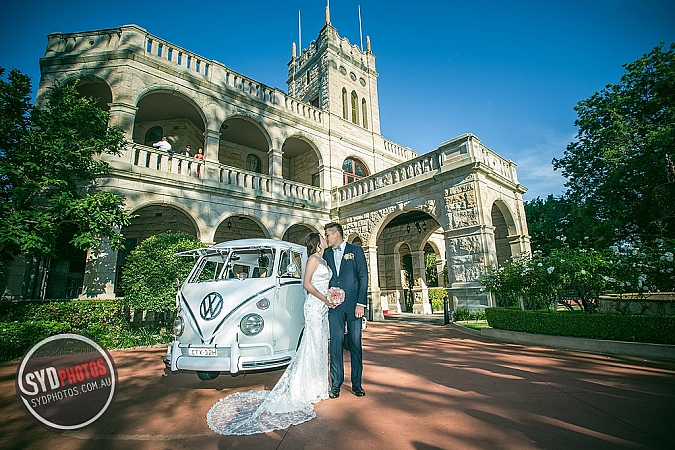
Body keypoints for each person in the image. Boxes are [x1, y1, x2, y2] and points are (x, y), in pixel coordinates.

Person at [207, 233, 334, 435]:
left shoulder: (324, 260)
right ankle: (305, 388)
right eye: (322, 237)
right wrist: (325, 298)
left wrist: (331, 296)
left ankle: (317, 386)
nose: (326, 239)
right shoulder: (312, 259)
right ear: (317, 243)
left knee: (319, 346)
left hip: (323, 307)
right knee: (311, 344)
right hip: (314, 306)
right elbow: (307, 284)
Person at [323, 222, 368, 398]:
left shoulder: (356, 251)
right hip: (334, 307)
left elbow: (363, 276)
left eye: (328, 234)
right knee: (335, 344)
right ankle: (336, 384)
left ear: (337, 234)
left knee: (355, 344)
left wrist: (361, 303)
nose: (326, 238)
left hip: (354, 305)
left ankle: (357, 384)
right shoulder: (326, 254)